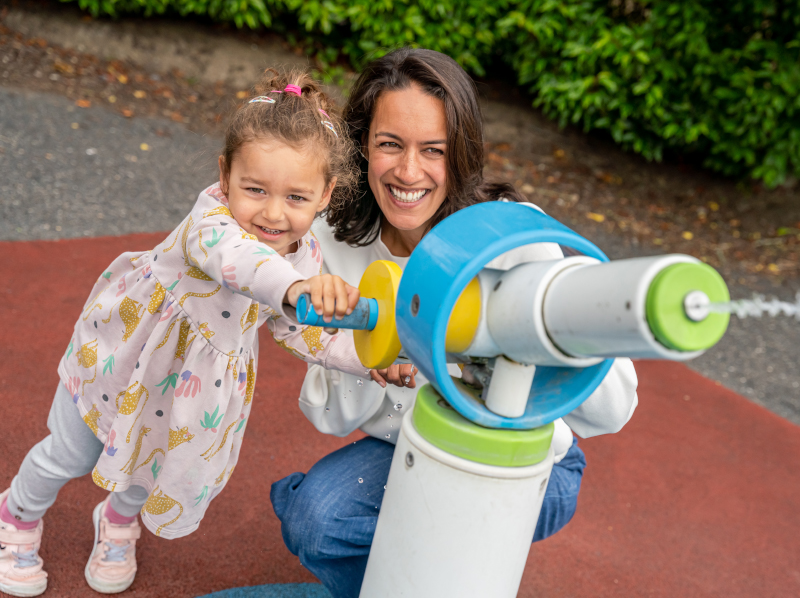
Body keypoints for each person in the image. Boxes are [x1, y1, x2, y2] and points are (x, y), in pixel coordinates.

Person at [0, 69, 412, 598]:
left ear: (326, 194)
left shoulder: (305, 254)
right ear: (225, 175)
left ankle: (119, 519)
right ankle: (17, 514)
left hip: (191, 388)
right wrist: (295, 290)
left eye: (295, 198)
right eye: (255, 189)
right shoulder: (212, 223)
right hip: (123, 359)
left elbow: (304, 333)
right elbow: (241, 264)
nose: (271, 212)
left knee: (153, 460)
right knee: (71, 452)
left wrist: (367, 359)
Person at [270, 48, 639, 598]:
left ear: (460, 155)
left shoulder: (513, 238)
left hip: (524, 454)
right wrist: (369, 363)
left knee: (450, 530)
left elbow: (615, 408)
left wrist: (543, 328)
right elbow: (326, 415)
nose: (408, 172)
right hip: (412, 446)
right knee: (317, 522)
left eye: (433, 151)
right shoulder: (332, 246)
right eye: (389, 144)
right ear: (361, 147)